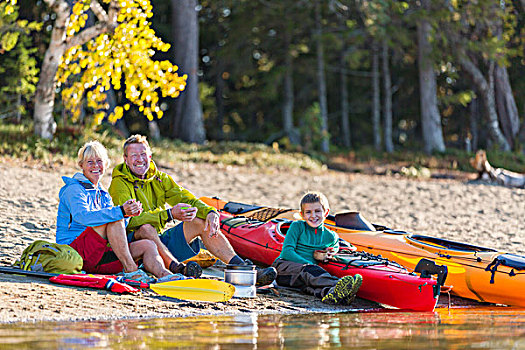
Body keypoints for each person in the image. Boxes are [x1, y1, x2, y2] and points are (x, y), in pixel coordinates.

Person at [108, 134, 277, 285]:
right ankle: (177, 268)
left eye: (143, 154)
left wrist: (211, 212)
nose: (140, 159)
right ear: (125, 159)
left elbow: (186, 198)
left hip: (160, 243)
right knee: (145, 228)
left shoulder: (159, 178)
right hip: (135, 246)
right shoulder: (119, 183)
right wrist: (168, 214)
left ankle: (242, 268)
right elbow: (130, 221)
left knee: (200, 222)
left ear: (150, 156)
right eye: (134, 155)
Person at [56, 140, 184, 283]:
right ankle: (131, 270)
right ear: (81, 165)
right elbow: (83, 217)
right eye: (90, 162)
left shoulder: (102, 193)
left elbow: (117, 228)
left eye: (99, 161)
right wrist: (122, 211)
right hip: (73, 253)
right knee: (116, 217)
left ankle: (164, 274)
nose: (95, 166)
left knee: (148, 245)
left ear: (105, 165)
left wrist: (129, 214)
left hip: (98, 255)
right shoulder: (74, 189)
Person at [271, 192, 362, 305]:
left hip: (303, 280)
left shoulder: (331, 236)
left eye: (317, 211)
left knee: (311, 287)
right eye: (308, 212)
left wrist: (330, 252)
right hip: (283, 269)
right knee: (310, 271)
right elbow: (287, 252)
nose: (313, 216)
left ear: (326, 212)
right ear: (302, 215)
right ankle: (339, 284)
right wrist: (310, 264)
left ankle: (333, 294)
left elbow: (335, 246)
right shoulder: (297, 227)